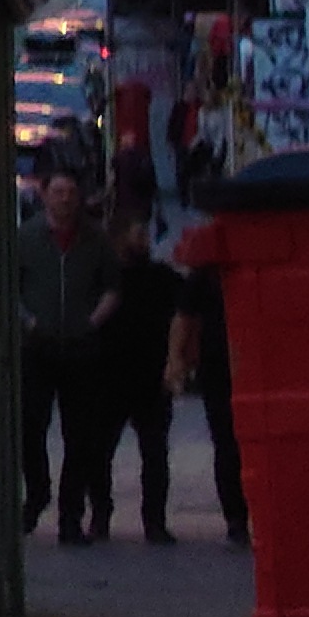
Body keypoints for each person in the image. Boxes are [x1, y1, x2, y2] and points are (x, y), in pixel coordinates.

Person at [15, 173, 121, 542]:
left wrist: (92, 321)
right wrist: (28, 322)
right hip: (38, 348)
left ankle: (71, 516)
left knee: (80, 436)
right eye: (57, 192)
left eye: (71, 193)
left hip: (81, 349)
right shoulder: (26, 238)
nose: (64, 200)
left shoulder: (94, 239)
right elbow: (10, 286)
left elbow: (112, 286)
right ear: (44, 195)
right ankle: (37, 493)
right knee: (31, 430)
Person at [102, 223, 185, 543]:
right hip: (118, 374)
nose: (142, 240)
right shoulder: (117, 277)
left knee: (151, 452)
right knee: (114, 451)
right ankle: (110, 514)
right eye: (135, 234)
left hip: (144, 375)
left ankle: (151, 519)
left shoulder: (155, 277)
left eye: (143, 234)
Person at [167, 245, 250, 548]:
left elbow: (183, 318)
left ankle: (238, 517)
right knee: (227, 443)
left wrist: (176, 359)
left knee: (227, 443)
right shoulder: (207, 273)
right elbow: (184, 316)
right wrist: (176, 359)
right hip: (219, 368)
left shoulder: (206, 272)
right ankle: (236, 516)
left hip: (225, 366)